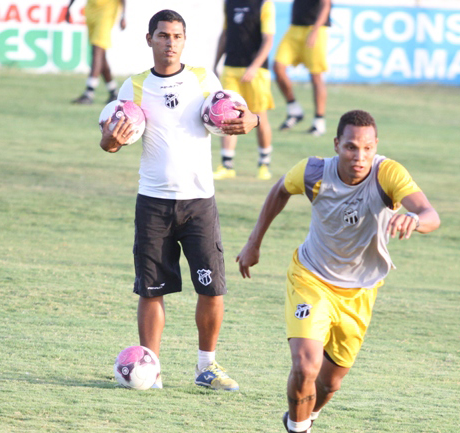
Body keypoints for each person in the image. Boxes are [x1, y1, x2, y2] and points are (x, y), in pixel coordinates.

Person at [236, 110, 441, 433]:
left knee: (329, 385)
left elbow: (430, 213)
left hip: (360, 292)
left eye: (366, 148)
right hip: (311, 278)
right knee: (305, 364)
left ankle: (303, 418)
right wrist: (253, 243)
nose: (358, 156)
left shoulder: (388, 174)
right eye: (350, 147)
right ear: (336, 146)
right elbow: (280, 189)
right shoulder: (314, 172)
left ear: (375, 147)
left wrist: (417, 221)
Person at [100, 9, 259, 391]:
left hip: (199, 202)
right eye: (163, 35)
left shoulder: (204, 79)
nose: (170, 43)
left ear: (184, 41)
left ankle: (207, 367)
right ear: (149, 39)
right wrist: (112, 141)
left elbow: (240, 113)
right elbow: (109, 142)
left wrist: (250, 119)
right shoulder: (133, 88)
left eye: (176, 36)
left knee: (212, 288)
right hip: (153, 202)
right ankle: (150, 369)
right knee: (151, 289)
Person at [212, 0, 276, 182]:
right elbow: (225, 34)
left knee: (259, 116)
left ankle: (264, 164)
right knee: (227, 115)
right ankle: (226, 165)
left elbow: (268, 39)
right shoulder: (229, 2)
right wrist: (215, 63)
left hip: (257, 71)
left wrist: (254, 66)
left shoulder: (264, 4)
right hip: (231, 68)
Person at [273, 0, 331, 136]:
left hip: (314, 28)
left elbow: (325, 4)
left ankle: (319, 120)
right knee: (278, 66)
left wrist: (315, 30)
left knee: (316, 75)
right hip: (294, 28)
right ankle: (294, 110)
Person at [66, 0, 126, 104]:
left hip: (107, 10)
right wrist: (69, 7)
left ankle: (89, 92)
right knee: (100, 54)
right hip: (91, 10)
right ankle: (113, 92)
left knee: (97, 50)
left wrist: (123, 15)